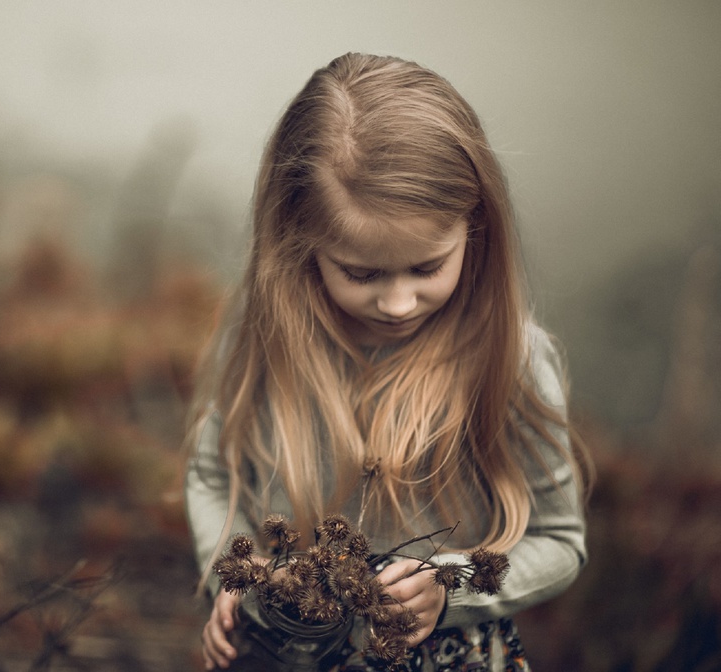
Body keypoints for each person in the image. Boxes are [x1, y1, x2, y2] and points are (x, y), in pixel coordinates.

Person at [184, 53, 591, 671]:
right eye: (363, 272)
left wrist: (450, 584)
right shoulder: (265, 331)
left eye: (428, 267)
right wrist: (234, 576)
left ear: (475, 228)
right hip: (276, 649)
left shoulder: (508, 359)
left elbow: (560, 543)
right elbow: (213, 477)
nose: (399, 304)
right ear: (299, 236)